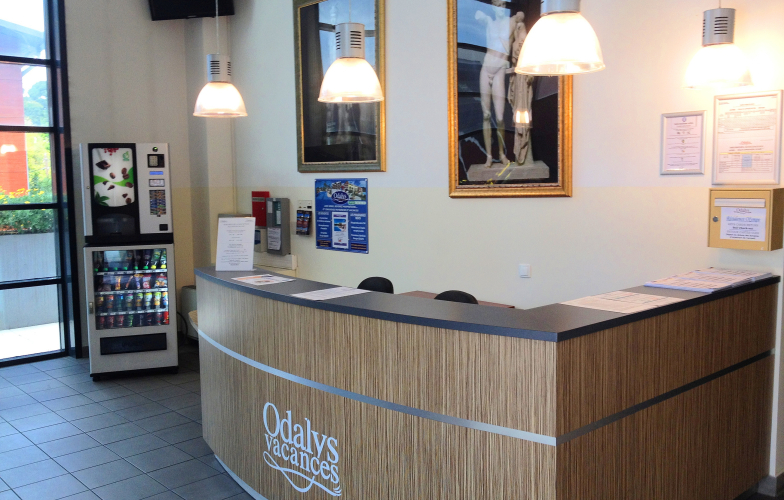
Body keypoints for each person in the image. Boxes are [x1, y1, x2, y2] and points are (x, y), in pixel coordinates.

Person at [475, 1, 523, 168]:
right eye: (497, 5)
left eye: (503, 5)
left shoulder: (511, 21)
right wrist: (481, 14)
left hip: (499, 70)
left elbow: (521, 16)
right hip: (486, 69)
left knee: (500, 117)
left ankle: (502, 154)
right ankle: (489, 156)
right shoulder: (490, 21)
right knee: (486, 115)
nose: (500, 8)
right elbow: (478, 16)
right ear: (493, 6)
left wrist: (520, 17)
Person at [508, 17, 535, 165]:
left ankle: (524, 148)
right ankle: (520, 149)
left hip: (524, 82)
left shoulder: (524, 41)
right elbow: (514, 60)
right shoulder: (515, 43)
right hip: (519, 80)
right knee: (518, 111)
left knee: (524, 111)